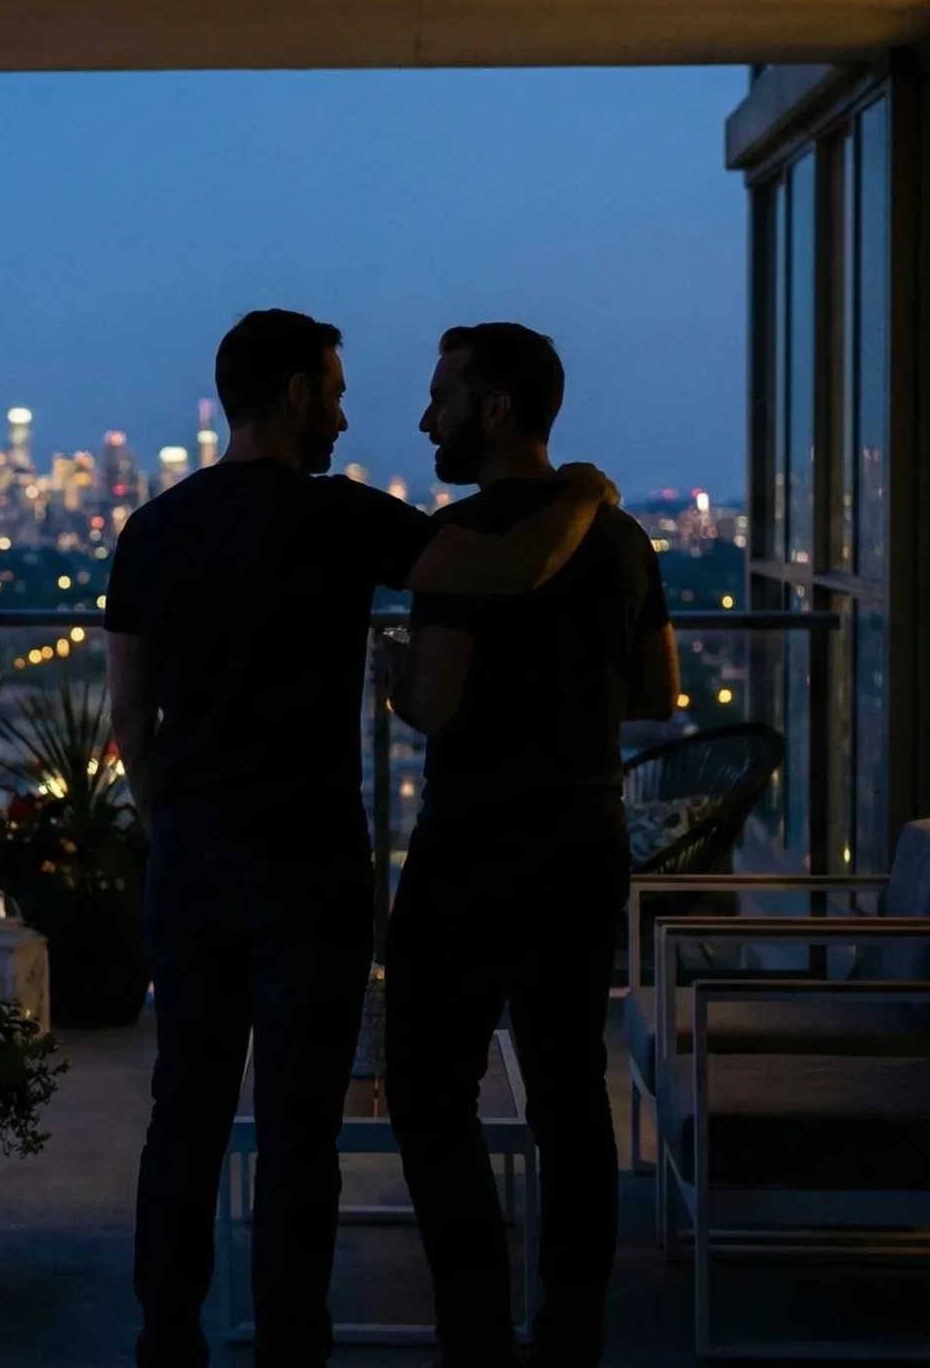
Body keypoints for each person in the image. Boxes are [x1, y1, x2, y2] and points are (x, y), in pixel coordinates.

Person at [102, 308, 619, 1368]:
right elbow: (508, 571)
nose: (343, 411)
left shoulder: (151, 529)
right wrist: (582, 491)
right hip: (309, 872)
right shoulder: (341, 519)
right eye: (333, 391)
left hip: (195, 864)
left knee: (183, 1117)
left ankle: (167, 1339)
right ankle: (293, 1344)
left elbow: (126, 718)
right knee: (300, 1132)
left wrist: (174, 826)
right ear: (294, 393)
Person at [380, 323, 679, 1368]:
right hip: (580, 839)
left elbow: (435, 700)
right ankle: (571, 1329)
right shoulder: (623, 539)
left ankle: (474, 1323)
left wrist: (390, 674)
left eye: (441, 398)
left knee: (428, 1089)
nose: (426, 419)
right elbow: (658, 695)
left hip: (471, 844)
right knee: (566, 1090)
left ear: (494, 408)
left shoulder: (460, 541)